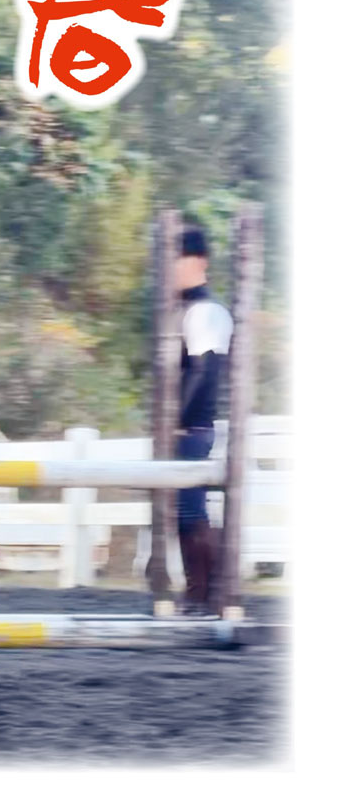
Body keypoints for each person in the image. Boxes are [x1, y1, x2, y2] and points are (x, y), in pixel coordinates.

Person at [174, 223, 233, 613]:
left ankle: (205, 594)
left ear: (198, 261)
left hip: (193, 426)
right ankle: (199, 593)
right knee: (183, 512)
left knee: (190, 511)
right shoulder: (186, 310)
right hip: (187, 425)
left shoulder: (206, 311)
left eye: (177, 259)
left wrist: (178, 421)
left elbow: (202, 373)